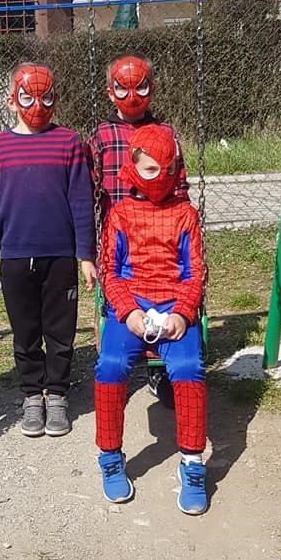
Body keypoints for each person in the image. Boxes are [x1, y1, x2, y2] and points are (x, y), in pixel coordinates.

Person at [94, 122, 208, 515]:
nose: (159, 177)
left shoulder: (185, 215)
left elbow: (195, 273)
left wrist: (183, 313)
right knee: (110, 365)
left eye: (166, 169)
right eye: (149, 169)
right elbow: (110, 273)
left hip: (174, 303)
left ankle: (192, 462)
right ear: (133, 167)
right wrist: (128, 312)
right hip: (132, 304)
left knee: (189, 368)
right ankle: (110, 456)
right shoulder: (120, 215)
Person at [0, 63, 96, 438]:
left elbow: (81, 200)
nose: (38, 105)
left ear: (56, 99)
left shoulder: (69, 142)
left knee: (60, 330)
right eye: (28, 97)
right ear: (11, 101)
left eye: (46, 98)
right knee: (25, 330)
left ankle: (58, 393)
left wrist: (85, 255)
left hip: (60, 256)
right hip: (15, 256)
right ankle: (33, 394)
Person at [85, 52, 189, 407]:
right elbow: (89, 191)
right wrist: (89, 252)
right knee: (120, 303)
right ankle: (121, 360)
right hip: (119, 239)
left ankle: (162, 369)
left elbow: (180, 186)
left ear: (152, 88)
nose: (132, 97)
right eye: (123, 89)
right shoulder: (101, 136)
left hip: (162, 235)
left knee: (166, 293)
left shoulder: (166, 134)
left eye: (140, 88)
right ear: (110, 92)